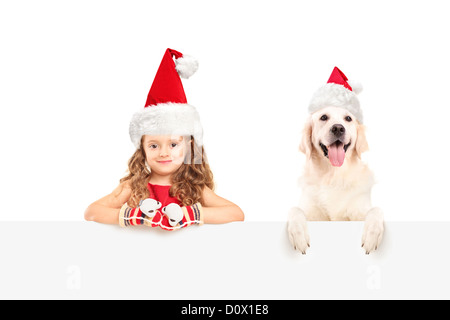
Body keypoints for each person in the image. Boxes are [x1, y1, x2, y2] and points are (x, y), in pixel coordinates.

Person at [84, 48, 244, 229]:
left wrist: (187, 215)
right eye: (153, 146)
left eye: (173, 144)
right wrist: (137, 216)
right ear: (142, 148)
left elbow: (236, 213)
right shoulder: (134, 186)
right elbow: (92, 211)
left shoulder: (194, 189)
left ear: (189, 147)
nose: (163, 152)